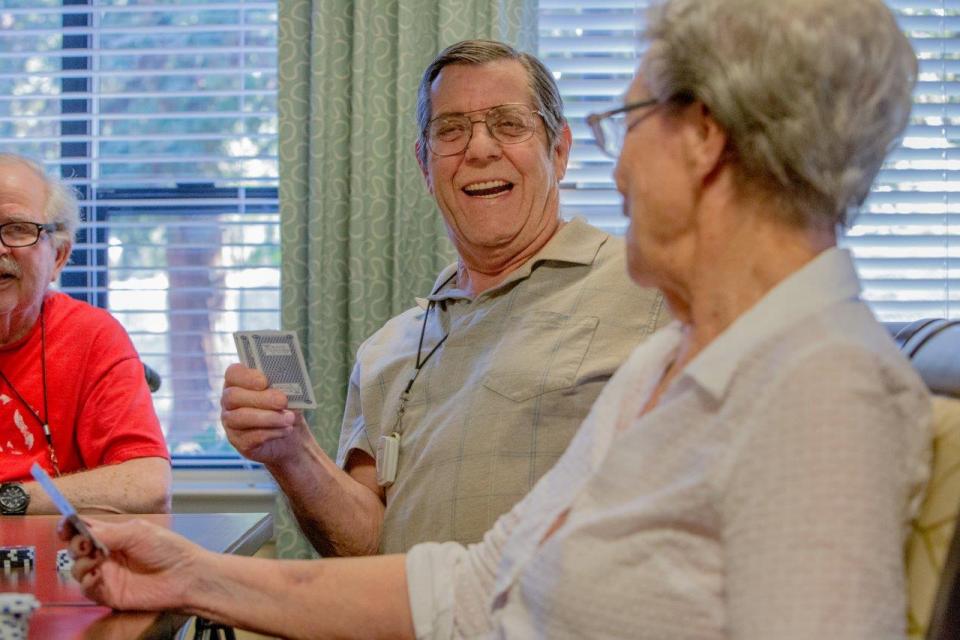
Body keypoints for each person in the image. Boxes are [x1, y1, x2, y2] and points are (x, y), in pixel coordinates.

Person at [64, 0, 932, 637]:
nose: (618, 165)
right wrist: (192, 574)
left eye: (625, 121)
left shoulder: (824, 389)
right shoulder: (674, 361)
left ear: (703, 139)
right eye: (453, 132)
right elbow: (476, 585)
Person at [220, 40, 667, 556]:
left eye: (509, 123)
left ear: (559, 151)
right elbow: (362, 548)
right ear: (425, 166)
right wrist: (290, 453)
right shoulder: (386, 350)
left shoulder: (651, 286)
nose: (479, 149)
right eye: (450, 131)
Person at [0, 153, 171, 515]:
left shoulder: (91, 336)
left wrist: (9, 500)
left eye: (17, 228)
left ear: (58, 257)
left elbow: (146, 485)